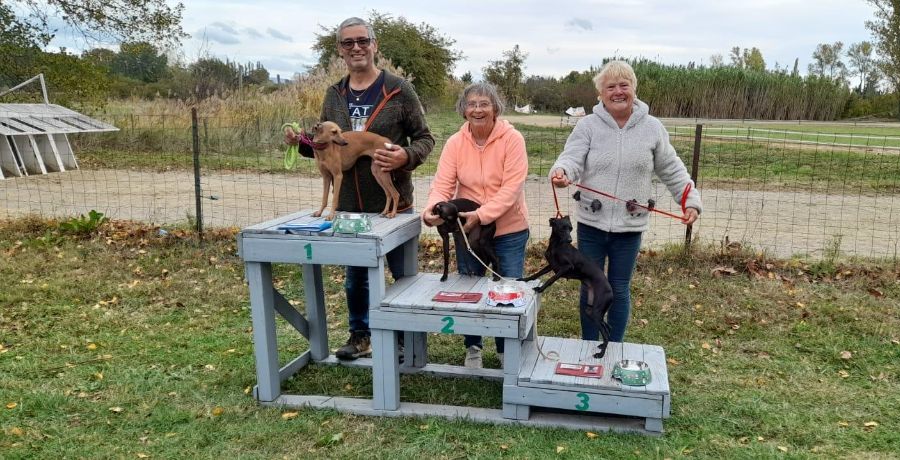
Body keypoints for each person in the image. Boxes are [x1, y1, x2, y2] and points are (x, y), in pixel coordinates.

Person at [285, 17, 435, 360]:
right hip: (350, 208)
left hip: (394, 205)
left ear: (374, 45)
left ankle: (404, 342)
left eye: (362, 41)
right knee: (356, 279)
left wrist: (405, 156)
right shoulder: (333, 94)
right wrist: (300, 143)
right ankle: (360, 337)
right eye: (349, 43)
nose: (356, 48)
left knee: (402, 277)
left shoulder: (399, 89)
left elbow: (426, 138)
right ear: (340, 49)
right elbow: (324, 147)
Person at [549, 60, 702, 344]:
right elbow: (571, 157)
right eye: (611, 87)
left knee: (618, 288)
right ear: (600, 94)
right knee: (591, 287)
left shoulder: (653, 128)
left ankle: (615, 347)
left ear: (634, 88)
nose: (618, 92)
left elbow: (672, 168)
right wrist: (562, 172)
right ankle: (589, 345)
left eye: (624, 85)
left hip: (630, 228)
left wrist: (689, 200)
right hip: (591, 225)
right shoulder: (588, 126)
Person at [422, 82, 529, 369]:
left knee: (508, 289)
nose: (478, 109)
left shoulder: (512, 139)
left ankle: (507, 349)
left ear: (495, 108)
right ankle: (473, 347)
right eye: (472, 104)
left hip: (509, 229)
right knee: (469, 287)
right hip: (468, 230)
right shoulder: (455, 143)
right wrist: (431, 210)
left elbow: (511, 187)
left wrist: (482, 214)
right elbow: (443, 184)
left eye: (484, 103)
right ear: (463, 109)